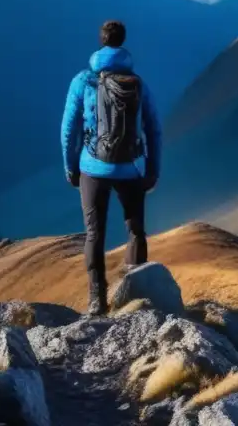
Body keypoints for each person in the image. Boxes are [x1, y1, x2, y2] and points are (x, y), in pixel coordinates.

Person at [60, 20, 162, 316]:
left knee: (94, 234)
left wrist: (71, 169)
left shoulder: (83, 81)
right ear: (123, 41)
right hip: (131, 168)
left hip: (93, 167)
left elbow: (69, 129)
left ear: (101, 41)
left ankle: (97, 300)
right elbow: (154, 128)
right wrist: (152, 171)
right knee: (136, 231)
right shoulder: (138, 83)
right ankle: (137, 297)